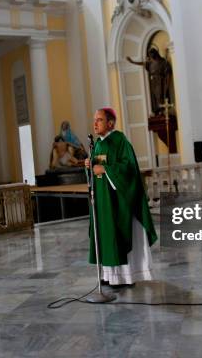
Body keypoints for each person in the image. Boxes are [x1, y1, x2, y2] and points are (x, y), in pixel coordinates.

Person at [84, 108, 158, 287]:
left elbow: (129, 169)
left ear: (110, 123)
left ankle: (125, 277)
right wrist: (89, 165)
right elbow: (96, 171)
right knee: (105, 236)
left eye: (99, 120)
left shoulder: (120, 141)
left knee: (117, 235)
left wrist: (105, 169)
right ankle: (109, 275)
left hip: (118, 201)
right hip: (103, 201)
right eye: (94, 120)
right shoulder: (98, 144)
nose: (95, 124)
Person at [126, 48, 173, 116]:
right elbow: (142, 63)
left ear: (155, 53)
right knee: (154, 97)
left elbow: (168, 73)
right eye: (150, 55)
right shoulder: (151, 63)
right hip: (153, 82)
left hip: (160, 82)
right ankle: (157, 111)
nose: (151, 56)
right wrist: (132, 62)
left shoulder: (163, 61)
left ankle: (162, 111)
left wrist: (167, 84)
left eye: (152, 54)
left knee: (161, 96)